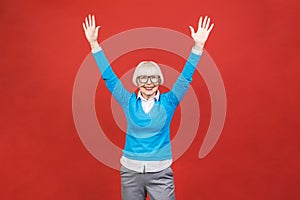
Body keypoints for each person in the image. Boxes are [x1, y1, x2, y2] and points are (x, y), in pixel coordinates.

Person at [82, 14, 214, 200]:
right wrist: (94, 45)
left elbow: (185, 78)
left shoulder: (168, 102)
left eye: (153, 78)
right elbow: (109, 78)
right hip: (130, 173)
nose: (148, 83)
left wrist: (198, 47)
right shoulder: (128, 101)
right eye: (143, 78)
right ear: (137, 80)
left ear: (159, 80)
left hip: (160, 173)